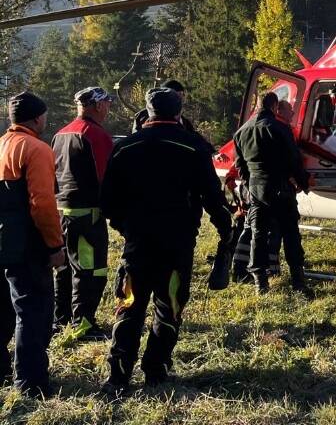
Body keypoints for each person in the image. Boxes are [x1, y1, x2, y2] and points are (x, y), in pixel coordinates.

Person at [99, 88, 231, 396]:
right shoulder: (193, 146)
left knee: (129, 306)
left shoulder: (124, 148)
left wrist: (127, 228)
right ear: (178, 112)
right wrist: (226, 229)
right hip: (177, 243)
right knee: (168, 306)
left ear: (148, 111)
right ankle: (156, 371)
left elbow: (107, 202)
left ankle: (117, 376)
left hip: (137, 243)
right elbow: (213, 196)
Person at [0, 92, 64, 397]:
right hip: (28, 243)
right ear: (38, 117)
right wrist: (54, 246)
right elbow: (42, 203)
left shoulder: (2, 144)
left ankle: (3, 369)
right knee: (33, 310)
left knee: (3, 306)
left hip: (3, 239)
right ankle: (30, 382)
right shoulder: (36, 148)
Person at [232, 91, 314, 299]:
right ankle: (298, 280)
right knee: (290, 233)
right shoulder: (279, 128)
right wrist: (304, 182)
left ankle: (260, 283)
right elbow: (293, 159)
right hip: (280, 187)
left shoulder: (241, 131)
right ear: (274, 107)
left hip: (257, 190)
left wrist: (250, 186)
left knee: (258, 235)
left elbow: (240, 165)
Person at [51, 86, 115, 340]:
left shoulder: (60, 133)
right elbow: (106, 177)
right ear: (98, 105)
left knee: (64, 268)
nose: (109, 108)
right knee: (90, 270)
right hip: (87, 214)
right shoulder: (95, 135)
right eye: (107, 103)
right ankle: (84, 324)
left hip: (59, 211)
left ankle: (61, 318)